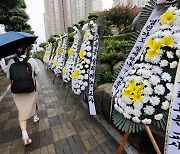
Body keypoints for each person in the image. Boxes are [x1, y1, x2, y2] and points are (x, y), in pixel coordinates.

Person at [6, 44, 41, 145]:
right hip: (30, 88)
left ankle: (25, 135)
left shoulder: (11, 61)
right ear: (26, 50)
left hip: (17, 90)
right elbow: (38, 73)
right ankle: (35, 117)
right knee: (34, 101)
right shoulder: (32, 60)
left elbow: (9, 76)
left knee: (22, 110)